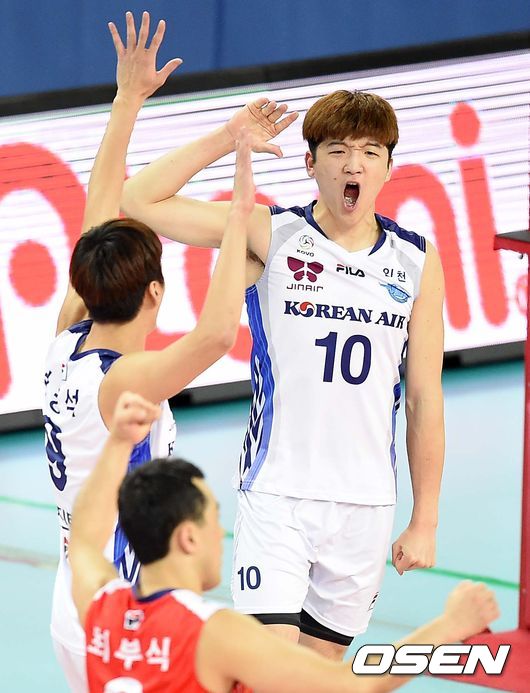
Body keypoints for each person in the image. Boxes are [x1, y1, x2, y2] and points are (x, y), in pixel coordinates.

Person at [121, 84, 445, 657]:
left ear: (389, 168)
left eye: (370, 152)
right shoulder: (270, 233)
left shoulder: (416, 259)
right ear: (310, 164)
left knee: (320, 675)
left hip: (365, 504)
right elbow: (141, 199)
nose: (354, 165)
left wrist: (426, 521)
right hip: (278, 495)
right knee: (268, 667)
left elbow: (423, 398)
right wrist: (229, 137)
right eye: (338, 151)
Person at [43, 12, 255, 690]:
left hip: (75, 591)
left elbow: (100, 207)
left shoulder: (67, 334)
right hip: (115, 606)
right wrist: (240, 217)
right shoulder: (127, 381)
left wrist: (127, 99)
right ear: (156, 293)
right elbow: (216, 335)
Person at [70, 390, 497, 693]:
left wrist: (118, 442)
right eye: (213, 519)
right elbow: (347, 685)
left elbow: (85, 538)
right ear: (187, 537)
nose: (220, 533)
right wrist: (449, 626)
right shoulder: (214, 633)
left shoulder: (101, 607)